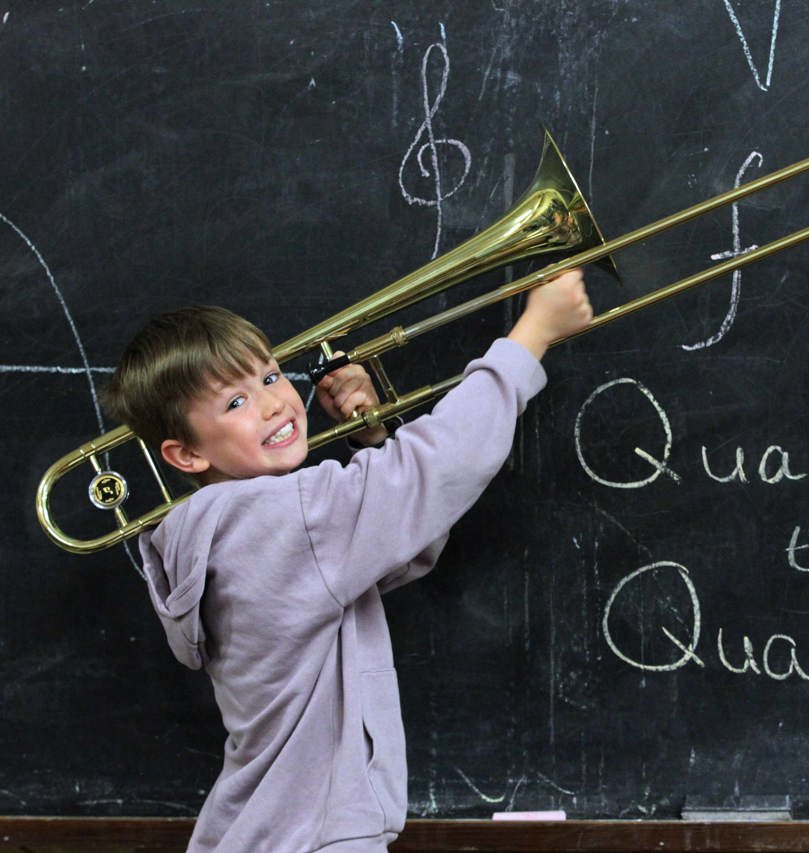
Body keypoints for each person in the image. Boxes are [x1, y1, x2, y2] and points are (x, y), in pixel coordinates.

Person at [102, 269, 592, 852]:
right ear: (185, 454)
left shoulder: (231, 530)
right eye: (235, 401)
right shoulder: (274, 519)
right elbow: (437, 468)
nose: (272, 404)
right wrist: (531, 337)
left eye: (270, 375)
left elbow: (405, 543)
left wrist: (371, 435)